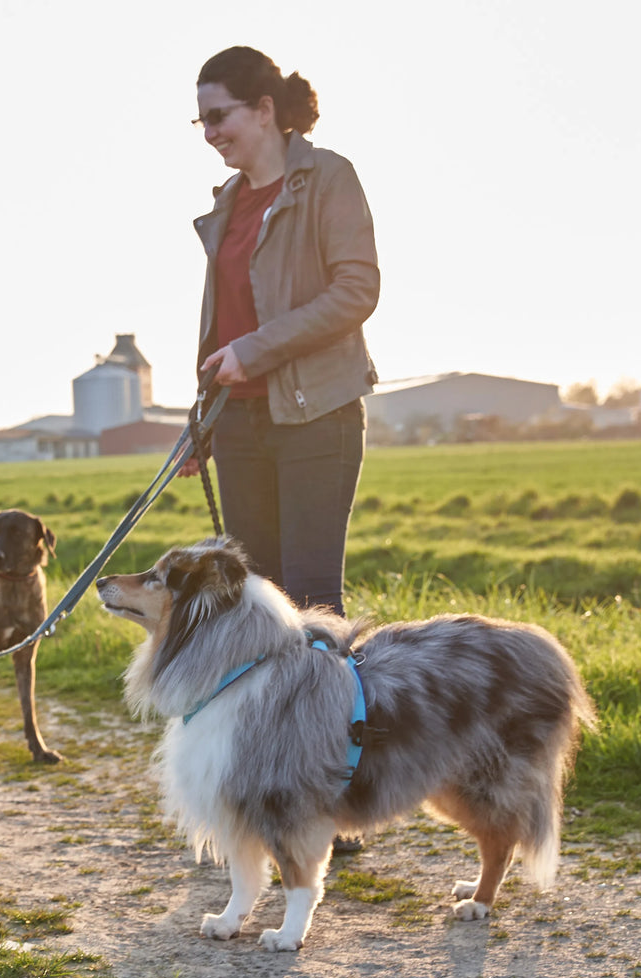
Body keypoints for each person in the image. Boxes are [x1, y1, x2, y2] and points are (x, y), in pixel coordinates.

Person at [183, 46, 379, 621]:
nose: (208, 134)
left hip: (316, 418)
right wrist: (203, 412)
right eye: (201, 121)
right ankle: (271, 716)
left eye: (218, 117)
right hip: (238, 422)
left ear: (264, 109)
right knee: (259, 608)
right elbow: (226, 317)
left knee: (313, 608)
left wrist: (256, 351)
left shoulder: (329, 178)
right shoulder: (228, 203)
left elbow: (356, 291)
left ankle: (338, 715)